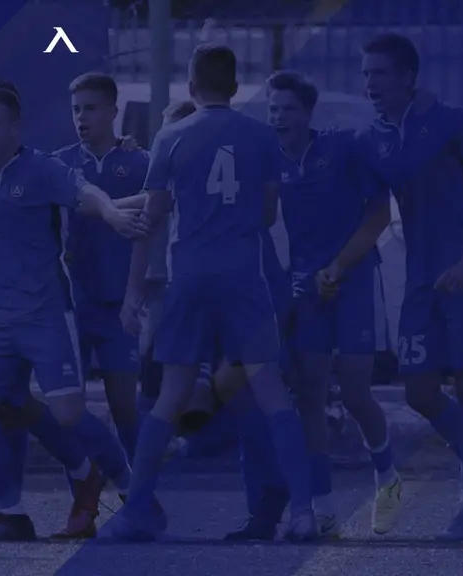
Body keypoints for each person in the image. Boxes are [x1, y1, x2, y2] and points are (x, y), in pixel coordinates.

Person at [113, 44, 317, 542]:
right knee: (271, 392)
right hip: (244, 275)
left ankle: (137, 509)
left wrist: (133, 291)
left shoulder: (171, 135)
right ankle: (303, 512)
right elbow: (268, 213)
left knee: (171, 394)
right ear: (235, 86)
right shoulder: (261, 136)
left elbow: (153, 213)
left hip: (189, 274)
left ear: (191, 86)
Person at [0, 79, 149, 542]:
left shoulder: (42, 168)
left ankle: (130, 489)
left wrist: (113, 214)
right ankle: (6, 514)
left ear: (16, 127)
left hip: (46, 311)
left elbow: (87, 193)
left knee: (69, 413)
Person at [358, 32, 463, 540]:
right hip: (419, 279)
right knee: (419, 392)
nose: (369, 83)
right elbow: (371, 208)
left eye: (379, 72)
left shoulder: (452, 122)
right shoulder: (373, 139)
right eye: (365, 73)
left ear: (408, 77)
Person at [266, 69, 402, 536]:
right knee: (310, 393)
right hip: (307, 288)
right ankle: (322, 507)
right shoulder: (269, 159)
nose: (279, 117)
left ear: (307, 113)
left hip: (354, 279)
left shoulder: (341, 148)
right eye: (273, 109)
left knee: (357, 392)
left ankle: (388, 480)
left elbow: (379, 214)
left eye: (288, 109)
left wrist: (339, 267)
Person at [53, 72, 148, 465]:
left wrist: (133, 299)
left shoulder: (137, 162)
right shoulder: (60, 164)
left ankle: (140, 487)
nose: (81, 117)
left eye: (90, 108)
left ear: (112, 111)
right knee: (67, 411)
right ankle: (88, 484)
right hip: (71, 304)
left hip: (117, 305)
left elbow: (155, 211)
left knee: (124, 406)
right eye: (76, 109)